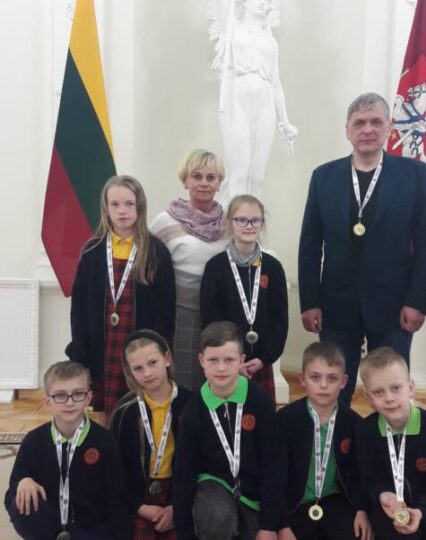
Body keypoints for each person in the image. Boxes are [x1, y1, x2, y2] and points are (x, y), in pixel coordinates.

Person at [298, 92, 426, 405]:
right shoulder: (323, 177)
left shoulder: (414, 175)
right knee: (333, 391)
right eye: (359, 123)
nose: (367, 129)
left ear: (389, 128)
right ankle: (337, 437)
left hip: (394, 307)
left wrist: (417, 301)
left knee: (390, 391)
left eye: (376, 122)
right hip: (335, 306)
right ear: (347, 130)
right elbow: (310, 244)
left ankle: (388, 439)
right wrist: (310, 301)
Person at [67, 175, 176, 422]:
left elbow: (165, 311)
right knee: (103, 413)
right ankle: (105, 442)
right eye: (115, 204)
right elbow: (79, 309)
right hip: (102, 347)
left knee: (139, 411)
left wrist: (160, 349)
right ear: (106, 208)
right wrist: (80, 351)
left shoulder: (156, 252)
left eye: (129, 204)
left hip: (141, 347)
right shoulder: (93, 251)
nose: (122, 211)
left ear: (140, 207)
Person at [173, 321, 282, 540]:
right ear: (201, 361)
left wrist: (269, 526)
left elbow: (273, 463)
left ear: (241, 360)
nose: (221, 368)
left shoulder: (260, 401)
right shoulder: (192, 411)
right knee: (217, 516)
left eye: (229, 360)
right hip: (214, 487)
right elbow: (184, 474)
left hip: (252, 492)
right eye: (213, 360)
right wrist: (184, 533)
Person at [4, 361, 131, 540]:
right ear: (47, 402)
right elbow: (10, 498)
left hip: (91, 528)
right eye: (60, 395)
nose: (70, 402)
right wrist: (22, 482)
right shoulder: (33, 441)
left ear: (88, 398)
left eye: (77, 394)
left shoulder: (105, 441)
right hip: (49, 528)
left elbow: (117, 499)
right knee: (22, 497)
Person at [356, 347, 426, 540]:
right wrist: (382, 494)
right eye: (378, 392)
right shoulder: (365, 430)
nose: (389, 398)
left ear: (410, 388)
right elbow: (368, 478)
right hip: (388, 509)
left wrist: (421, 511)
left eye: (396, 388)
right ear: (368, 398)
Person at [277, 341, 372, 540]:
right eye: (315, 377)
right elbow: (275, 477)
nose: (323, 385)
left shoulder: (354, 423)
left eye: (332, 378)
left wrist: (361, 510)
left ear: (344, 381)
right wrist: (281, 525)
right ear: (302, 379)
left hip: (336, 500)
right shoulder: (284, 421)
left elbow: (358, 475)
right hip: (294, 504)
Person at [150, 149, 228, 391]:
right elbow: (147, 266)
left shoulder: (229, 224)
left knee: (215, 383)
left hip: (218, 317)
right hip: (181, 317)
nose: (204, 183)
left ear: (219, 183)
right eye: (196, 176)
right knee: (182, 385)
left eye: (211, 177)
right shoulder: (164, 221)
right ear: (185, 181)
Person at [201, 194, 288, 404]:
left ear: (262, 223)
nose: (249, 226)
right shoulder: (215, 267)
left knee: (262, 417)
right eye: (241, 220)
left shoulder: (273, 268)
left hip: (261, 363)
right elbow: (211, 322)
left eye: (255, 220)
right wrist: (232, 361)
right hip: (226, 364)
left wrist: (264, 359)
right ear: (230, 223)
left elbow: (280, 322)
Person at [208, 0, 298, 201]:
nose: (263, 3)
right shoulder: (231, 26)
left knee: (257, 177)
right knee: (239, 173)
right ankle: (233, 218)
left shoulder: (270, 40)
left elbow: (276, 83)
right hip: (237, 100)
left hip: (266, 103)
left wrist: (284, 122)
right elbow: (221, 6)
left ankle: (251, 220)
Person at [110, 330, 192, 539]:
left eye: (152, 363)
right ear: (130, 371)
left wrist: (177, 507)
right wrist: (139, 506)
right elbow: (116, 467)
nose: (147, 373)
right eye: (138, 368)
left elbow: (198, 463)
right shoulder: (124, 411)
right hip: (139, 496)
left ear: (167, 358)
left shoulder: (191, 404)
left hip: (180, 494)